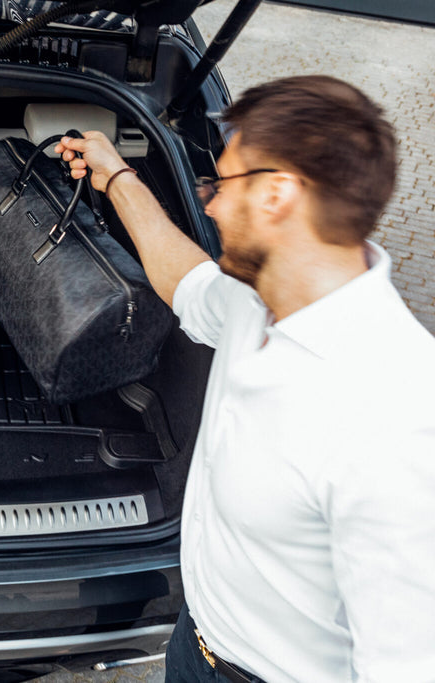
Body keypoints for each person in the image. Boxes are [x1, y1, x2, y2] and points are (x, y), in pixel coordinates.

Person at [57, 75, 435, 681]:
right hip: (196, 643)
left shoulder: (396, 418)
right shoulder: (254, 301)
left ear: (277, 194)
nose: (209, 204)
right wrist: (117, 176)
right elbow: (186, 281)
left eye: (223, 183)